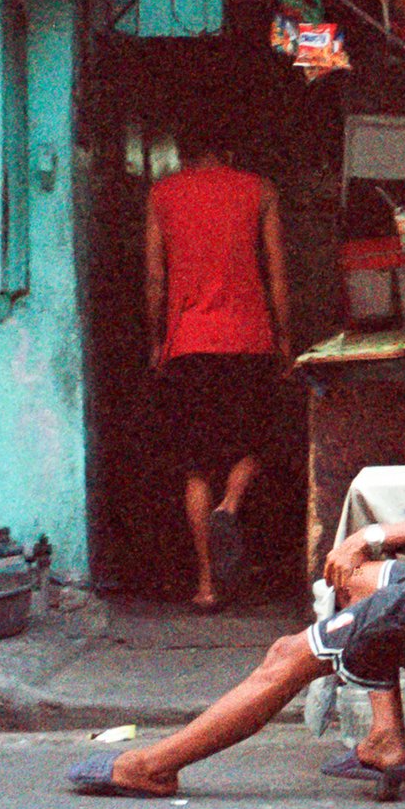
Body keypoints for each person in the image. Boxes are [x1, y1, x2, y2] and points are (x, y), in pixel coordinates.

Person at [70, 313, 405, 799]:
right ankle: (385, 736)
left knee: (287, 655)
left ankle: (154, 767)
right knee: (353, 579)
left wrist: (377, 533)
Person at [144, 110, 291, 609]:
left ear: (183, 151)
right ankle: (232, 503)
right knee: (255, 446)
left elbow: (155, 281)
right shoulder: (260, 190)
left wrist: (157, 342)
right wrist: (284, 339)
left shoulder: (163, 194)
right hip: (249, 340)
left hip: (188, 343)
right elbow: (276, 274)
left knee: (194, 468)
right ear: (231, 150)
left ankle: (206, 585)